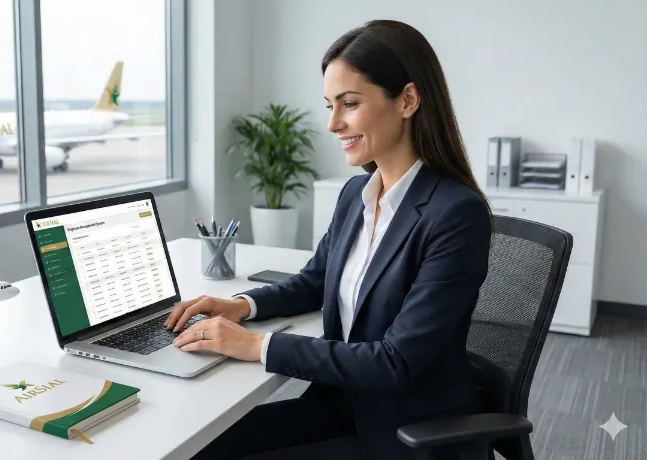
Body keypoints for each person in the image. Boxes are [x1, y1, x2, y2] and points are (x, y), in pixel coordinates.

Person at [165, 19, 493, 460]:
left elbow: (395, 361)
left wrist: (255, 345)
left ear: (408, 100)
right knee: (196, 444)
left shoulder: (455, 214)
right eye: (329, 106)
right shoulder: (356, 193)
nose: (334, 124)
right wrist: (242, 306)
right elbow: (314, 281)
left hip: (405, 431)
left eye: (350, 103)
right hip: (343, 402)